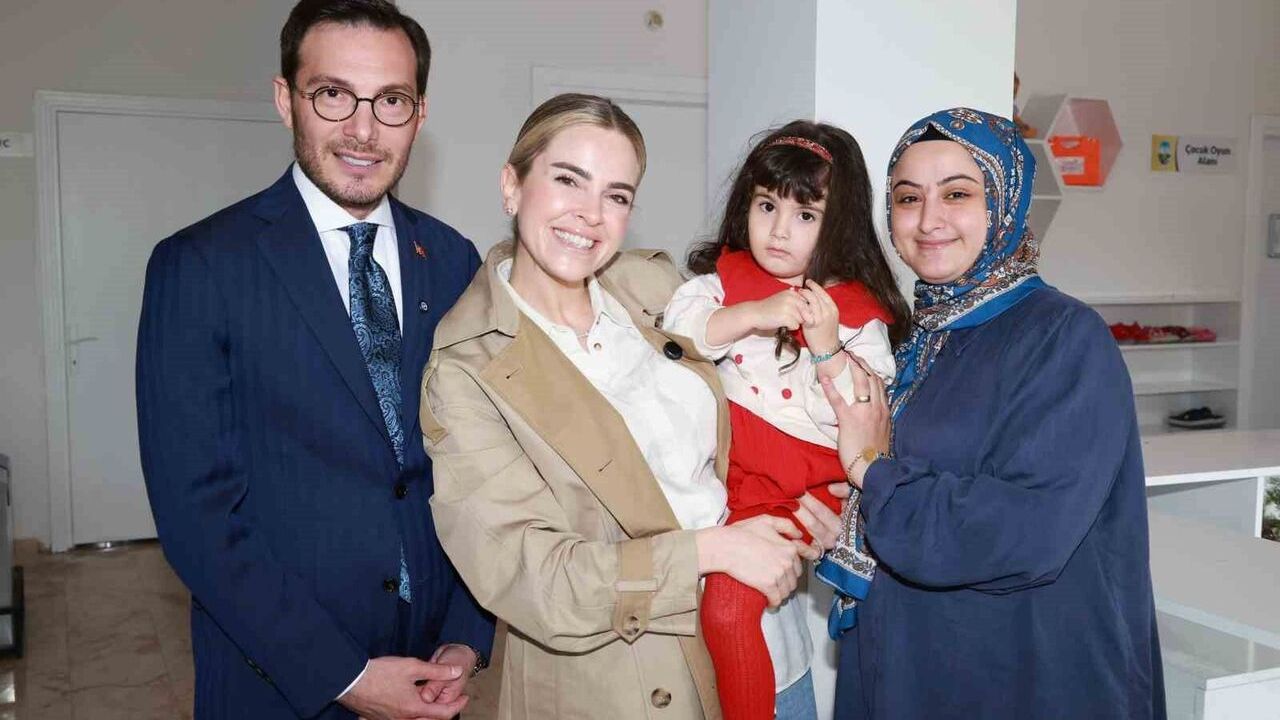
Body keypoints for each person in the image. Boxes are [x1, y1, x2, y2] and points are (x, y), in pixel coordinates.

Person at [420, 93, 845, 719]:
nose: (590, 215)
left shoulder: (656, 287)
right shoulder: (467, 367)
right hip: (632, 686)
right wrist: (713, 551)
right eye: (569, 180)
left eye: (616, 196)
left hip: (774, 654)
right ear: (512, 185)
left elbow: (771, 411)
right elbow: (536, 579)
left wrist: (827, 516)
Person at [135, 2, 492, 718]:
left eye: (391, 100)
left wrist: (465, 635)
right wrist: (344, 676)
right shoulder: (200, 265)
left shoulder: (454, 259)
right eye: (333, 94)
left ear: (419, 114)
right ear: (285, 99)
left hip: (433, 671)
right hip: (279, 681)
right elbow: (197, 517)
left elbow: (478, 466)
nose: (364, 129)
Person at [822, 108, 1165, 719]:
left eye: (957, 194)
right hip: (909, 660)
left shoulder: (1064, 338)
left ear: (1004, 203)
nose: (928, 220)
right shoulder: (909, 336)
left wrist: (872, 472)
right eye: (908, 198)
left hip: (1016, 673)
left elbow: (1021, 532)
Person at [663, 121, 909, 720]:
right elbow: (680, 332)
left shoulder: (855, 314)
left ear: (838, 224)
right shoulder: (723, 284)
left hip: (794, 486)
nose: (778, 229)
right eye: (767, 205)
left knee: (727, 609)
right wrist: (753, 313)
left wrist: (826, 349)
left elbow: (856, 420)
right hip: (726, 471)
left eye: (805, 214)